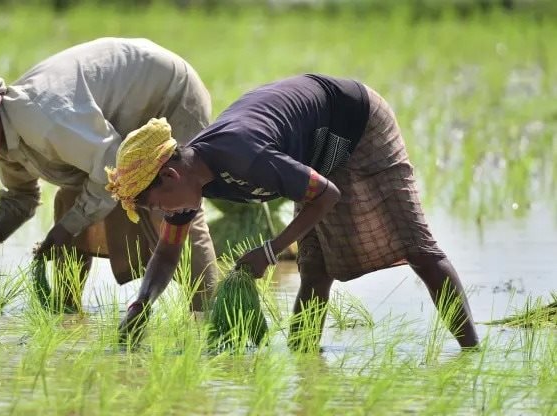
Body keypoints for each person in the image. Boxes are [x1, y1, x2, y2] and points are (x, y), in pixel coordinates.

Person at [106, 74, 479, 350]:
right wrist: (142, 302)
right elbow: (169, 251)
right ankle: (306, 362)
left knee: (418, 248)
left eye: (156, 204)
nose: (162, 213)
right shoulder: (189, 183)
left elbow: (327, 194)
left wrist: (269, 252)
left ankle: (471, 351)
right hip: (313, 150)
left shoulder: (243, 155)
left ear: (169, 175)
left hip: (356, 122)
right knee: (315, 267)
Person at [0, 37, 218, 311]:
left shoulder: (44, 119)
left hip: (167, 95)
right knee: (69, 203)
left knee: (175, 209)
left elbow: (111, 170)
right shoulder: (4, 139)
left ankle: (210, 315)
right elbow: (20, 197)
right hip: (120, 119)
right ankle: (66, 309)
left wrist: (65, 229)